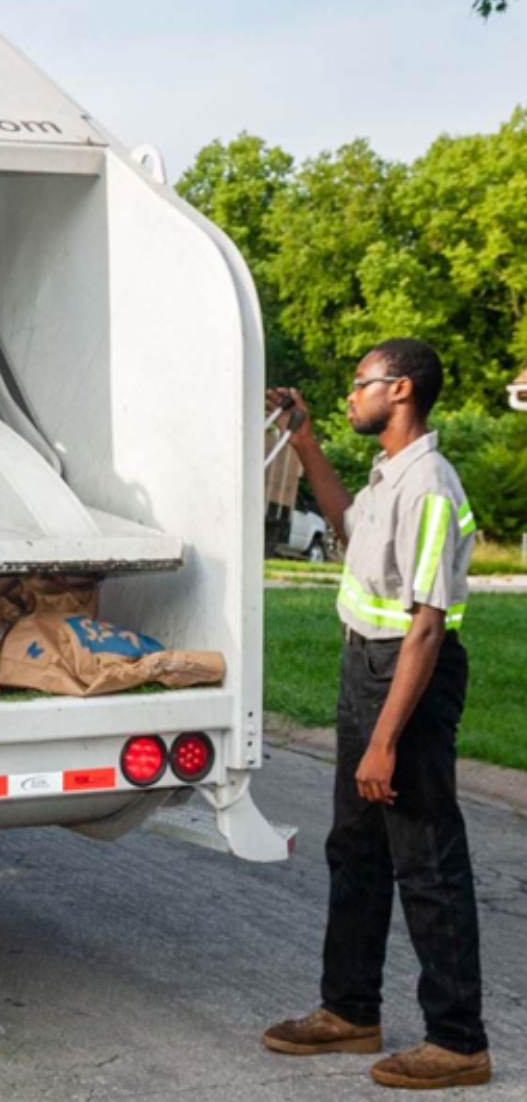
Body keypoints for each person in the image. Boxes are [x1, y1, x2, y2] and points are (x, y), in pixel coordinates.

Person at [262, 339, 491, 1090]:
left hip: (407, 681)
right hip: (365, 666)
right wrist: (303, 438)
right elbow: (345, 524)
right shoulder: (388, 471)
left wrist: (384, 741)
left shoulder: (428, 483)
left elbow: (426, 626)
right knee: (355, 851)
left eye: (359, 385)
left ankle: (457, 1042)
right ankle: (349, 1012)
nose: (349, 395)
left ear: (397, 391)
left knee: (425, 862)